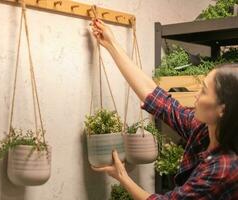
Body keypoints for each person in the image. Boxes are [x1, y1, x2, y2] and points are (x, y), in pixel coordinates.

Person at [89, 19, 238, 200]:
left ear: (222, 110)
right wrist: (111, 44)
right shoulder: (203, 129)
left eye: (204, 90)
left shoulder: (223, 170)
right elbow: (157, 99)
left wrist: (122, 177)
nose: (196, 96)